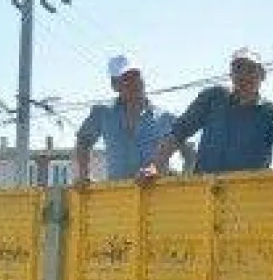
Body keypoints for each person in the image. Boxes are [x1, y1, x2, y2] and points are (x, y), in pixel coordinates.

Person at [155, 48, 273, 175]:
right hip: (204, 194)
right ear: (231, 74)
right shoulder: (213, 98)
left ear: (262, 75)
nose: (243, 75)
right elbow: (179, 131)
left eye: (251, 69)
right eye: (238, 68)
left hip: (246, 199)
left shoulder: (269, 113)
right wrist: (156, 166)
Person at [74, 55, 192, 185]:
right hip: (117, 196)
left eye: (136, 76)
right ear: (114, 85)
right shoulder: (102, 114)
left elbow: (190, 155)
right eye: (126, 78)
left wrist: (182, 185)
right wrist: (83, 175)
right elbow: (83, 141)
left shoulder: (166, 118)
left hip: (156, 198)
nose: (134, 82)